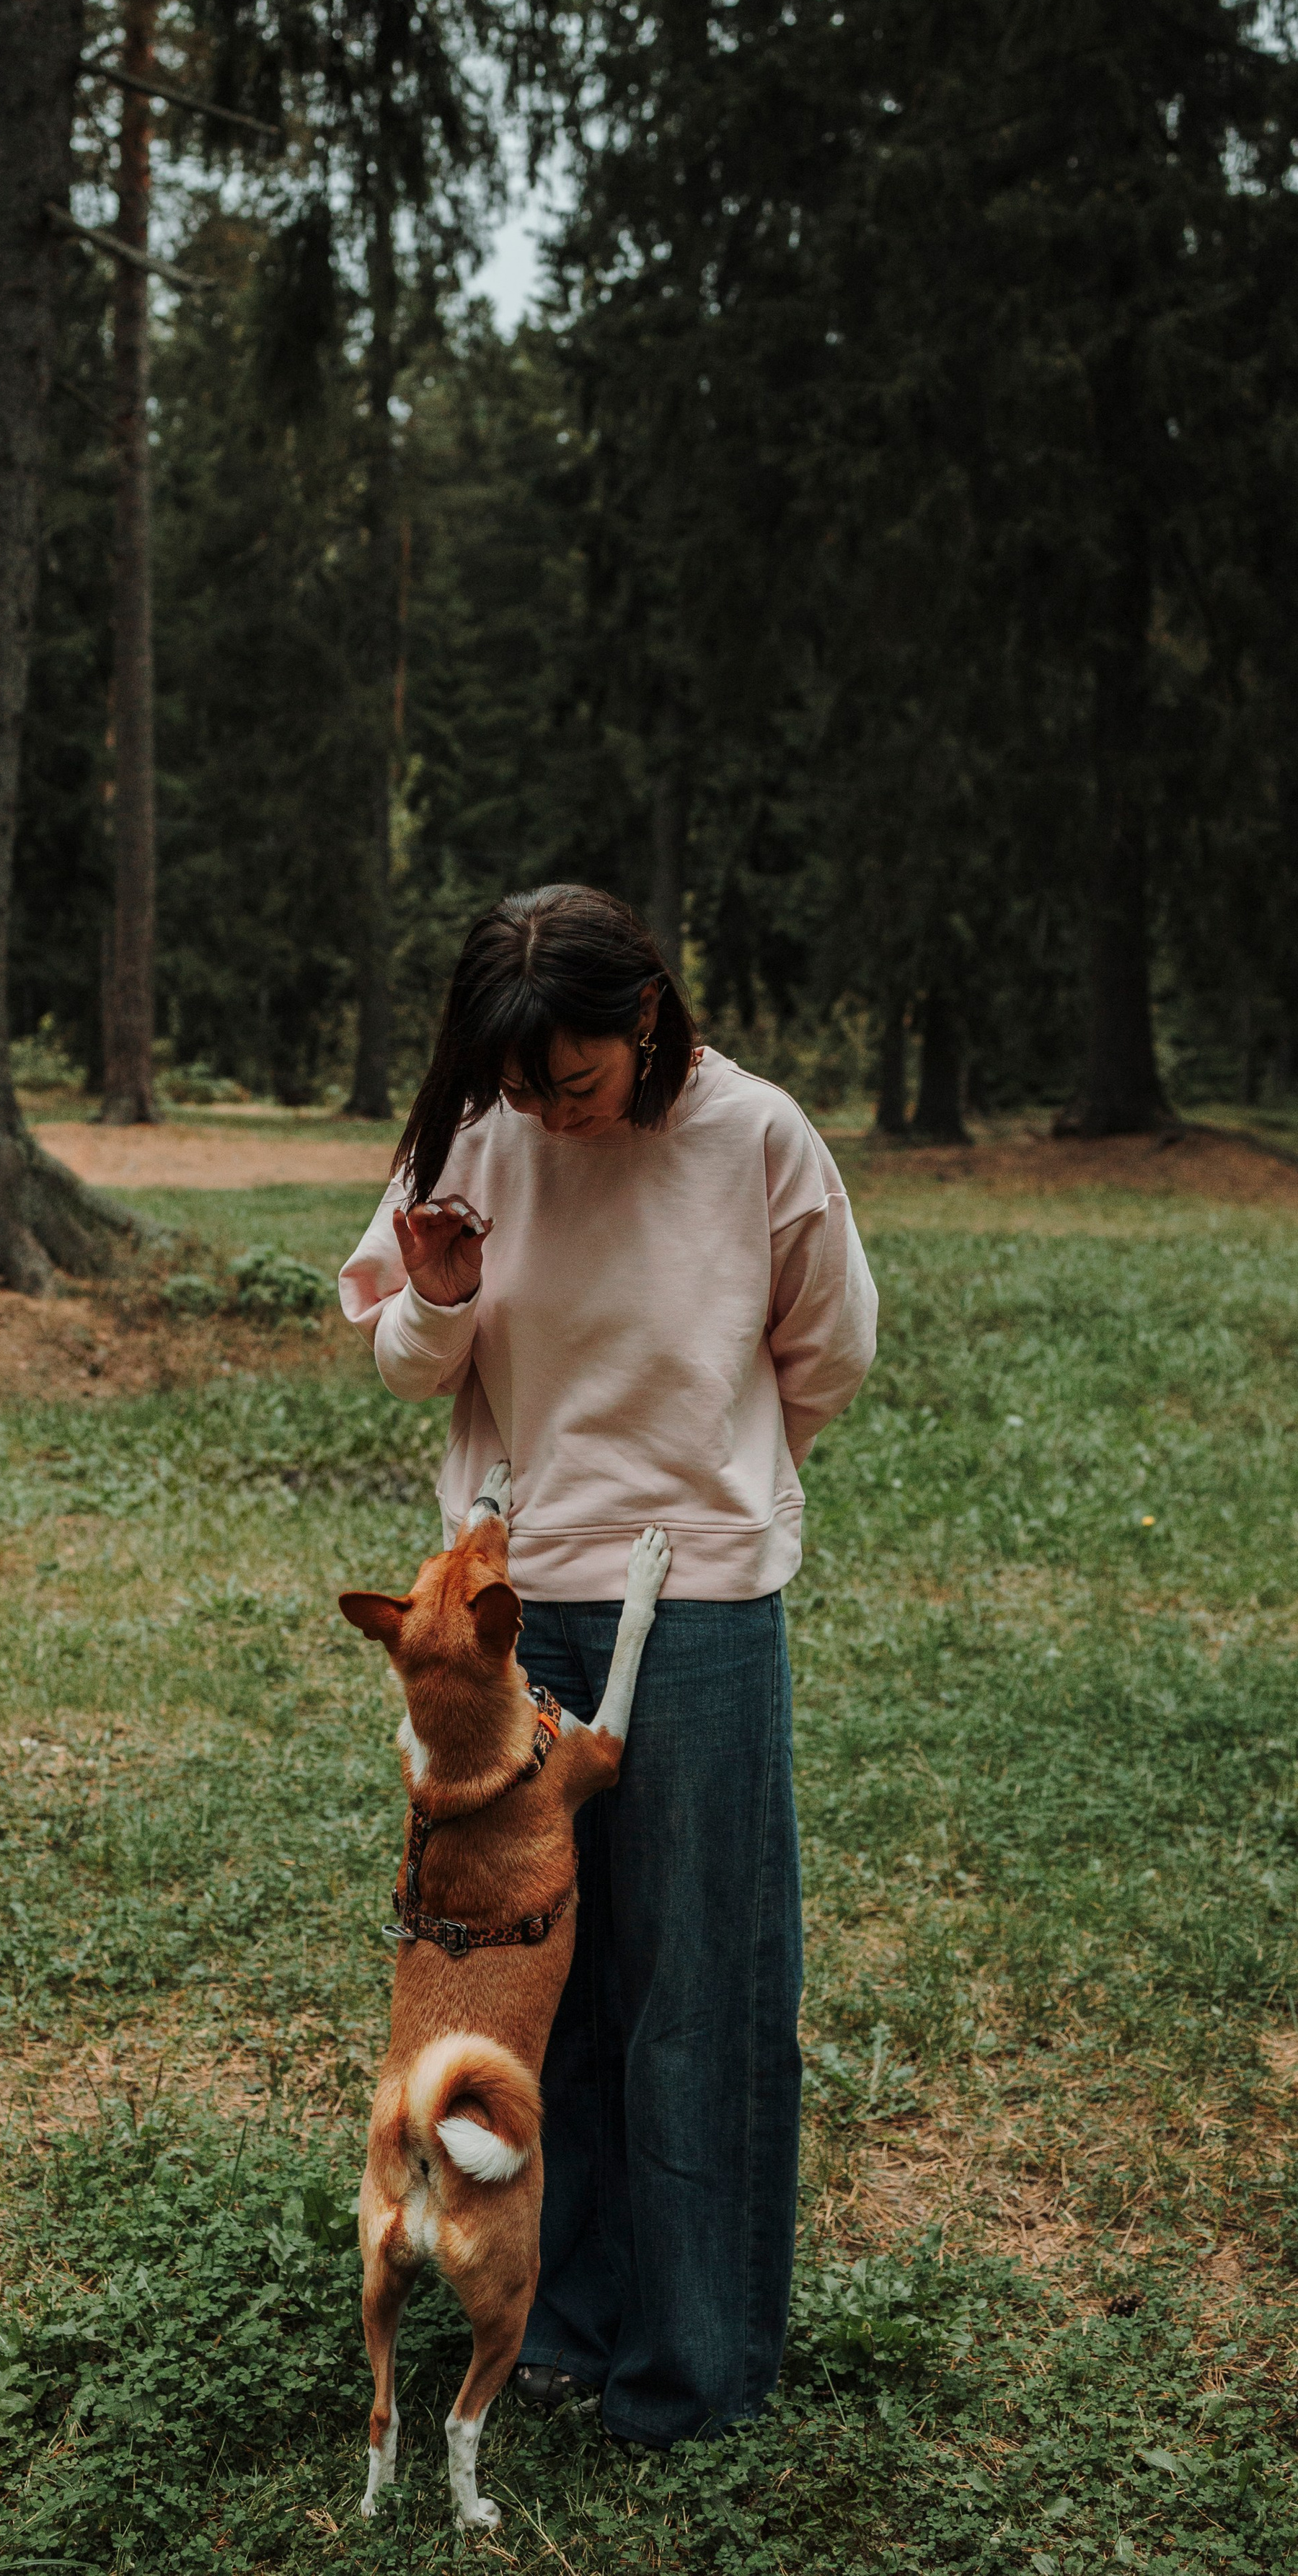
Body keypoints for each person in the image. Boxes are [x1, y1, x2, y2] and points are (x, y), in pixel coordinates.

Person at [338, 882, 877, 2451]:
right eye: (514, 1085)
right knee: (529, 1991)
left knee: (696, 1987)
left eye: (567, 1081)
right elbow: (401, 1359)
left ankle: (693, 2370)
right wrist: (437, 1300)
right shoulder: (474, 1129)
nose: (540, 1113)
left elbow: (825, 1354)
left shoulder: (757, 1137)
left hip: (696, 1612)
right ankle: (553, 2325)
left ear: (643, 1021)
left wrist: (713, 1496)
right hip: (510, 1619)